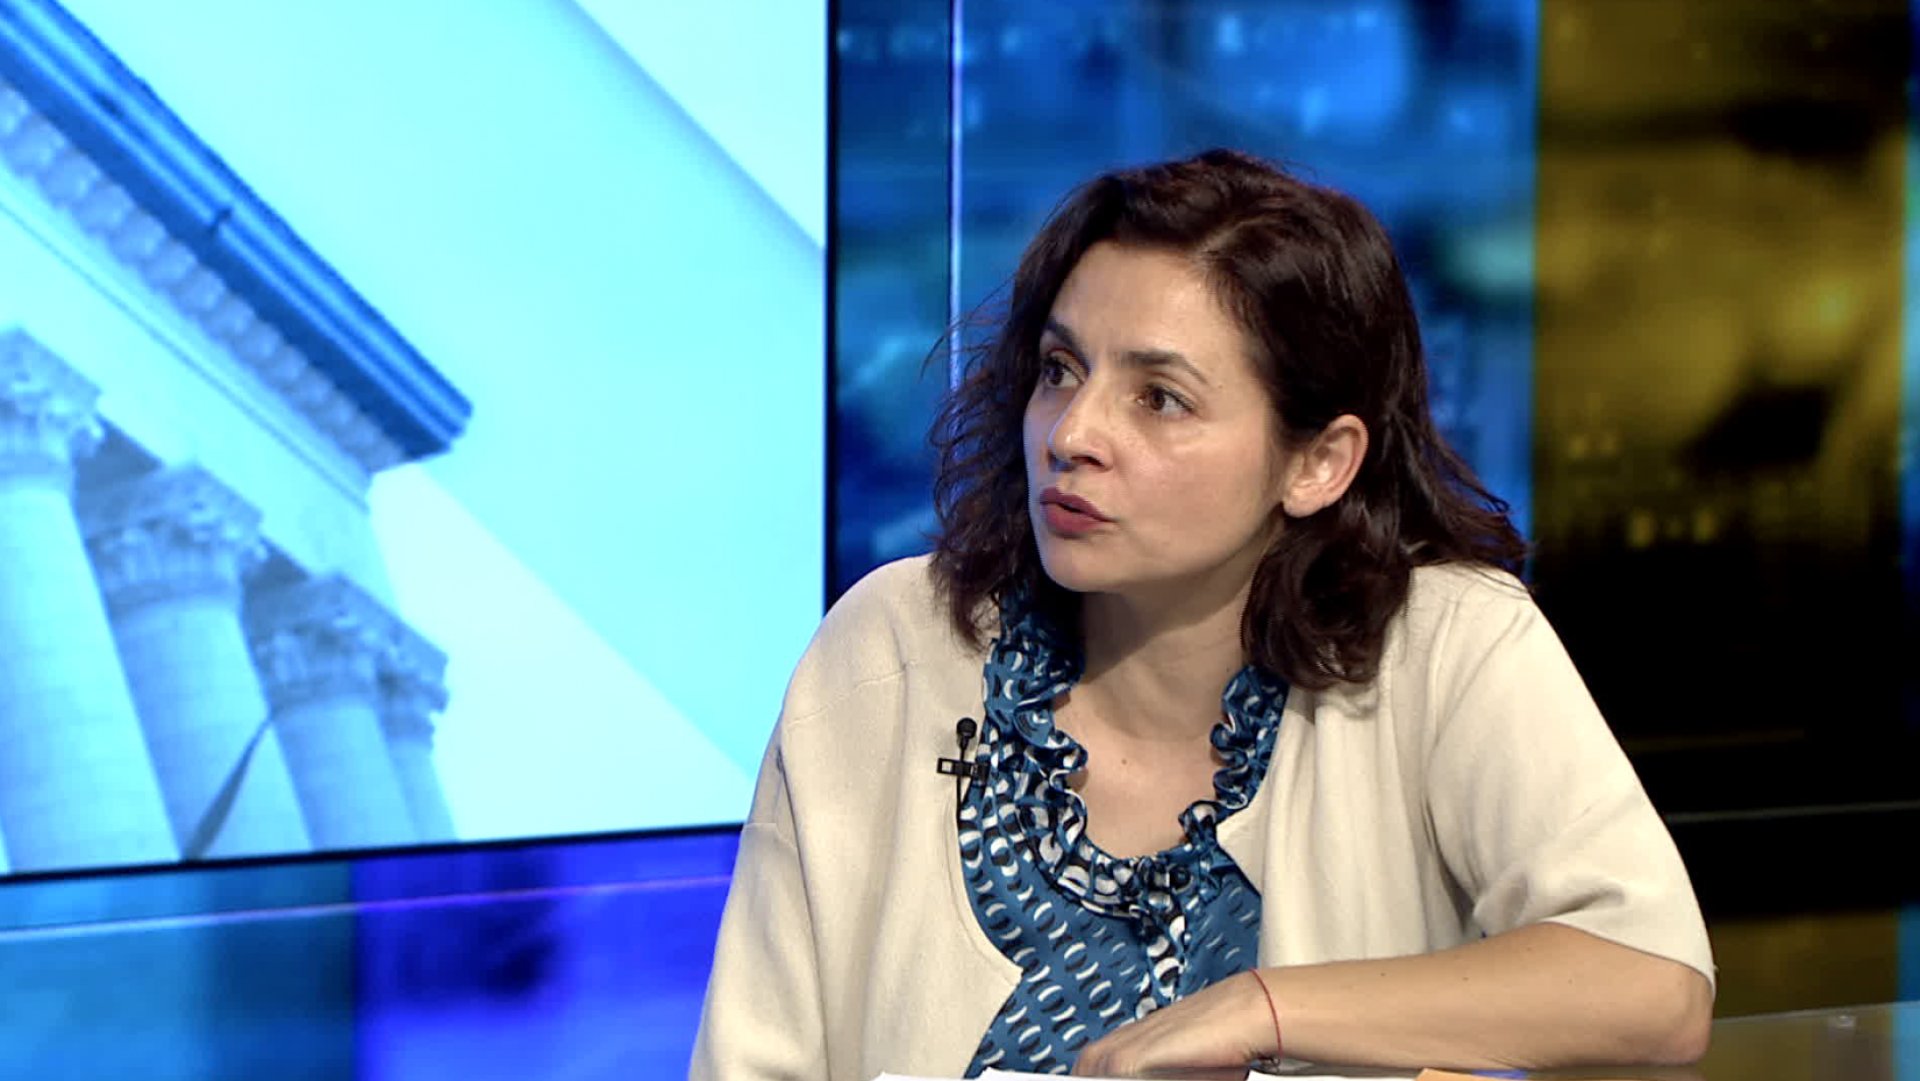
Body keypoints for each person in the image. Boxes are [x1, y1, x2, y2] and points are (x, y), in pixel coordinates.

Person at [689, 149, 1714, 1080]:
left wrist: (1261, 1008)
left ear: (1318, 463)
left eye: (1160, 398)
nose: (1072, 433)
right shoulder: (893, 646)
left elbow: (1652, 983)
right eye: (1059, 370)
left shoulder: (1446, 643)